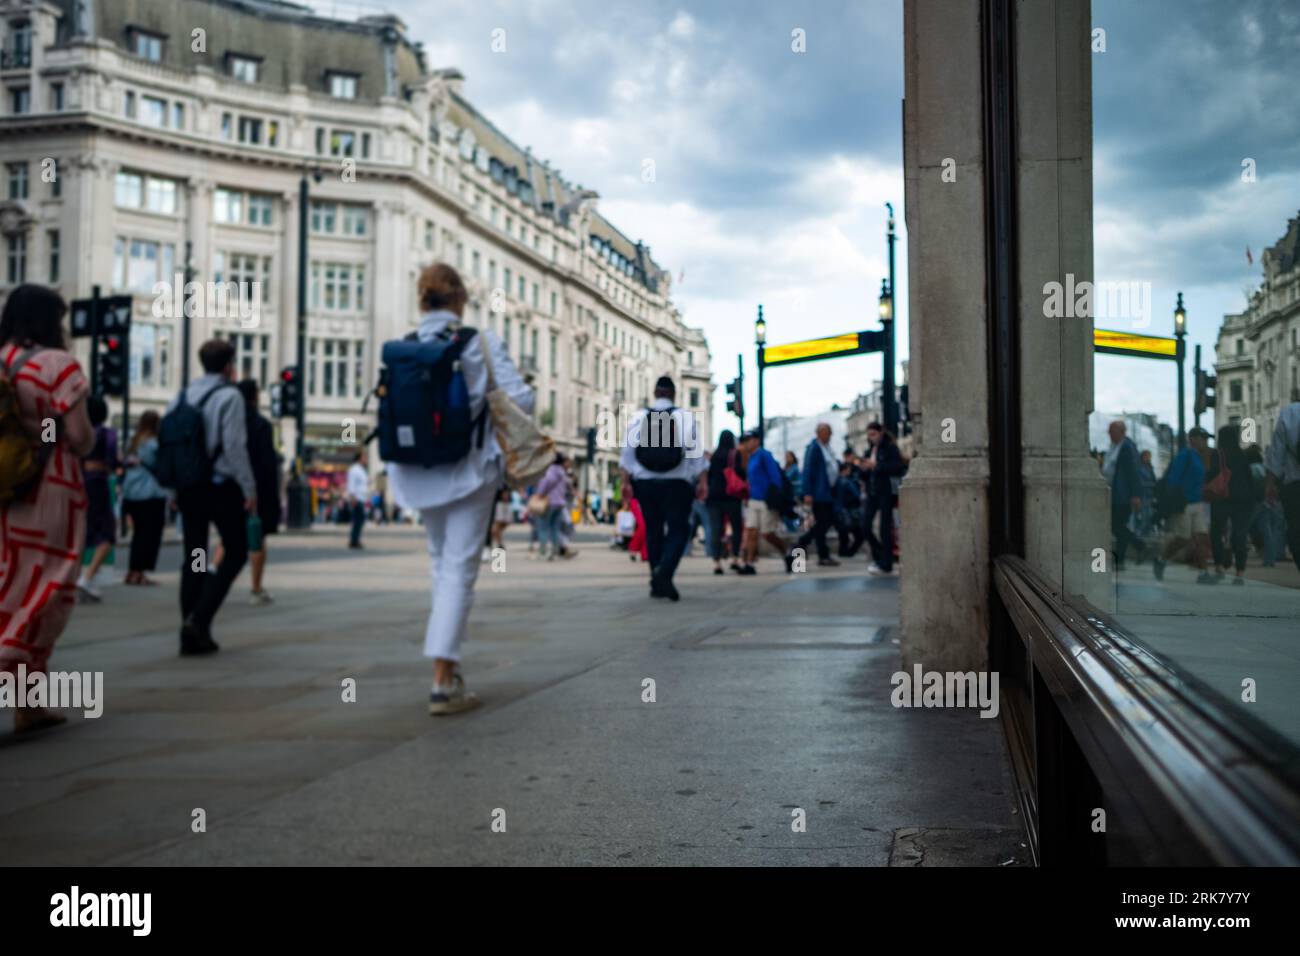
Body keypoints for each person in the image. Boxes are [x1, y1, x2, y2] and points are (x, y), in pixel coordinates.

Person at [388, 263, 533, 715]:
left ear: (421, 300)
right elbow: (521, 400)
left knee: (440, 564)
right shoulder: (479, 343)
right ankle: (442, 678)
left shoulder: (406, 347)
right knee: (460, 569)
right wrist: (485, 400)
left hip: (416, 470)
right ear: (459, 300)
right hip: (469, 470)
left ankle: (448, 667)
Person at [0, 285, 96, 733]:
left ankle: (30, 702)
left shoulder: (2, 359)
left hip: (5, 486)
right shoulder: (58, 365)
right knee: (45, 587)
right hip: (48, 488)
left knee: (7, 581)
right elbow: (78, 437)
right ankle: (22, 690)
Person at [168, 338, 257, 656]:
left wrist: (174, 487)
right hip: (220, 487)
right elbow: (234, 445)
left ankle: (189, 632)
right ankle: (200, 618)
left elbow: (172, 445)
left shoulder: (182, 395)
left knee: (195, 557)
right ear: (229, 365)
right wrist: (249, 488)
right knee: (235, 551)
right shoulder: (229, 396)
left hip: (190, 487)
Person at [619, 375, 706, 601]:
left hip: (646, 484)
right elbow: (696, 455)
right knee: (679, 530)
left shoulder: (639, 417)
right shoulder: (685, 417)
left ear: (655, 393)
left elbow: (627, 455)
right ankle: (664, 572)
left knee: (653, 529)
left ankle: (657, 580)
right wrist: (702, 481)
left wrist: (626, 483)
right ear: (673, 394)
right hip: (678, 483)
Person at [240, 378, 280, 605]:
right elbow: (266, 465)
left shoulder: (228, 419)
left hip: (222, 488)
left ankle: (204, 573)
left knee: (214, 541)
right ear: (255, 397)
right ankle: (256, 588)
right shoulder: (260, 425)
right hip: (253, 491)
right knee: (256, 539)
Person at [76, 396, 119, 601]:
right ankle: (88, 576)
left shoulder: (80, 433)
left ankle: (74, 576)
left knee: (82, 531)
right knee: (108, 533)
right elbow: (112, 459)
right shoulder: (107, 434)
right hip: (98, 482)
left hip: (80, 481)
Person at [1155, 426, 1211, 581]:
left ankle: (1204, 573)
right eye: (1203, 438)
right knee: (1183, 538)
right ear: (1193, 439)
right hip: (1184, 503)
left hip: (1197, 502)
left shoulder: (1199, 457)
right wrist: (1177, 501)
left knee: (1201, 537)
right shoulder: (1185, 455)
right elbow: (1174, 480)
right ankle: (1162, 559)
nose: (1205, 442)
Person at [121, 410, 168, 586]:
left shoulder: (131, 442)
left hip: (131, 493)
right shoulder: (155, 444)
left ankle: (132, 571)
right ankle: (140, 573)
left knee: (138, 534)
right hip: (151, 494)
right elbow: (161, 466)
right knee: (150, 535)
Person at [738, 430, 795, 573]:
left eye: (749, 440)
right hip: (753, 499)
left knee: (767, 533)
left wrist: (774, 498)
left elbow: (775, 478)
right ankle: (749, 564)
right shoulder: (750, 458)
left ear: (756, 441)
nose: (746, 443)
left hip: (766, 500)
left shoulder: (764, 455)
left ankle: (787, 552)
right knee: (751, 531)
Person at [1205, 424, 1253, 585]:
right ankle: (1240, 572)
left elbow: (1212, 474)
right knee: (1239, 534)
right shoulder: (1242, 454)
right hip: (1242, 499)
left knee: (1217, 532)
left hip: (1221, 497)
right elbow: (1249, 477)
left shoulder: (1217, 454)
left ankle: (1219, 566)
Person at [861, 422, 906, 575]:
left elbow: (897, 466)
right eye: (869, 435)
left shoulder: (890, 448)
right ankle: (880, 556)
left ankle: (886, 563)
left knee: (885, 529)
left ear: (880, 433)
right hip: (872, 493)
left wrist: (877, 465)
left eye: (873, 434)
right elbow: (865, 474)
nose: (871, 438)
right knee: (865, 526)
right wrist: (864, 468)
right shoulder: (870, 450)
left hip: (886, 492)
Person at [795, 422, 840, 567]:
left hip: (827, 492)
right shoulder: (814, 448)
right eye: (826, 432)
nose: (829, 435)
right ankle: (803, 544)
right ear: (819, 433)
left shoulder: (826, 448)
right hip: (818, 493)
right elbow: (808, 471)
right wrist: (808, 492)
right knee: (822, 522)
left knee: (822, 523)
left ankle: (821, 553)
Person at [1263, 396, 1300, 573]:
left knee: (1295, 527)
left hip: (1294, 484)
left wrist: (1270, 483)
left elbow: (1276, 455)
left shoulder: (1289, 412)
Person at [1102, 420, 1145, 570]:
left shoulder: (1127, 447)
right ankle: (1132, 548)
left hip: (1123, 495)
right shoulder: (1115, 447)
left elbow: (1133, 472)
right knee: (1117, 525)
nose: (1109, 434)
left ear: (1120, 431)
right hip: (1115, 493)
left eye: (1111, 431)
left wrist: (1135, 495)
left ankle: (1127, 554)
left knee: (1117, 525)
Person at [705, 429, 745, 575]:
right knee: (736, 527)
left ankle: (717, 562)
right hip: (731, 495)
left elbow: (709, 476)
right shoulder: (735, 454)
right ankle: (734, 558)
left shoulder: (714, 456)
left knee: (715, 529)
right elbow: (741, 473)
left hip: (714, 496)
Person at [534, 453, 570, 561]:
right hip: (560, 503)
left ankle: (543, 551)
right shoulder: (563, 472)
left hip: (549, 502)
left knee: (543, 527)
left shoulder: (551, 471)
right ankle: (555, 551)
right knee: (555, 528)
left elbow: (546, 482)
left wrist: (539, 493)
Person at [834, 461, 865, 558]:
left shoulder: (835, 481)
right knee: (859, 535)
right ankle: (849, 552)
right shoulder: (847, 482)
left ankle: (843, 552)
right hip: (849, 511)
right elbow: (856, 495)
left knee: (843, 535)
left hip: (837, 510)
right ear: (846, 470)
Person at [347, 451, 369, 549]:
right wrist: (353, 498)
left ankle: (355, 540)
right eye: (364, 457)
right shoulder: (354, 469)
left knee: (359, 520)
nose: (366, 460)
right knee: (358, 520)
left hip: (362, 498)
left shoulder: (362, 470)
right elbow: (351, 484)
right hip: (357, 498)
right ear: (360, 458)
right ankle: (354, 540)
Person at [491, 486, 512, 550]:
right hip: (500, 504)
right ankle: (499, 543)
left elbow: (505, 494)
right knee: (497, 529)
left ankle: (499, 543)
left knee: (496, 528)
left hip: (501, 505)